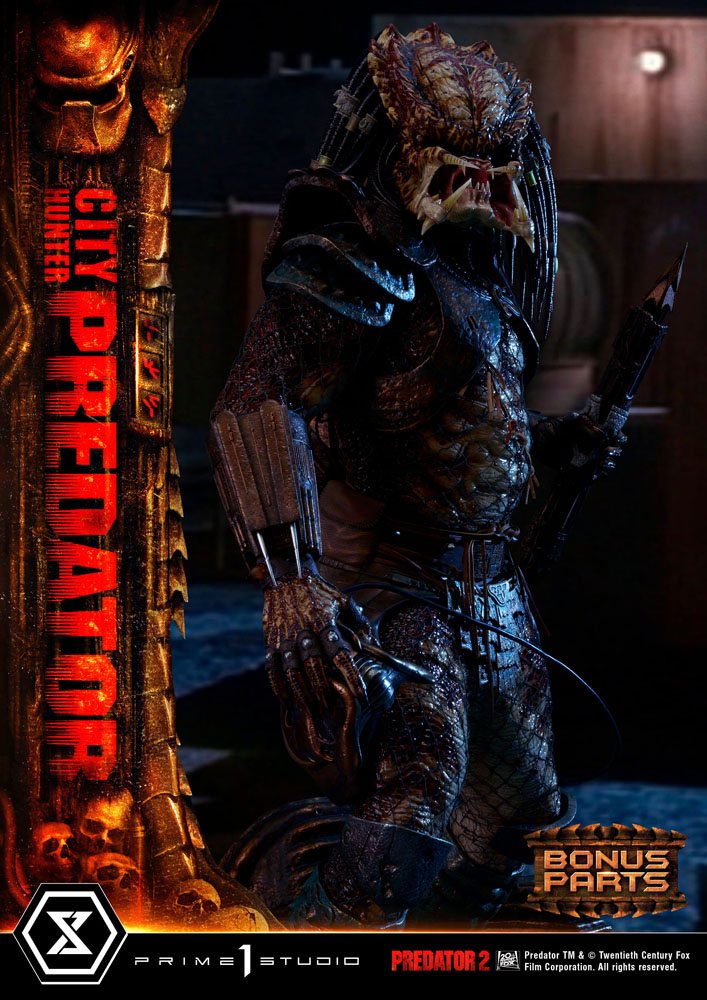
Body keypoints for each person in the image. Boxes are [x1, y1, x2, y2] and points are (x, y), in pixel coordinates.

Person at [210, 24, 619, 928]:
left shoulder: (481, 285)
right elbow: (257, 402)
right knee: (417, 794)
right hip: (397, 586)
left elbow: (470, 433)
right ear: (401, 158)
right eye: (453, 168)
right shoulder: (344, 265)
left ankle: (442, 932)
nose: (478, 190)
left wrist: (559, 444)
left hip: (494, 594)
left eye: (493, 172)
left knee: (521, 825)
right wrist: (291, 581)